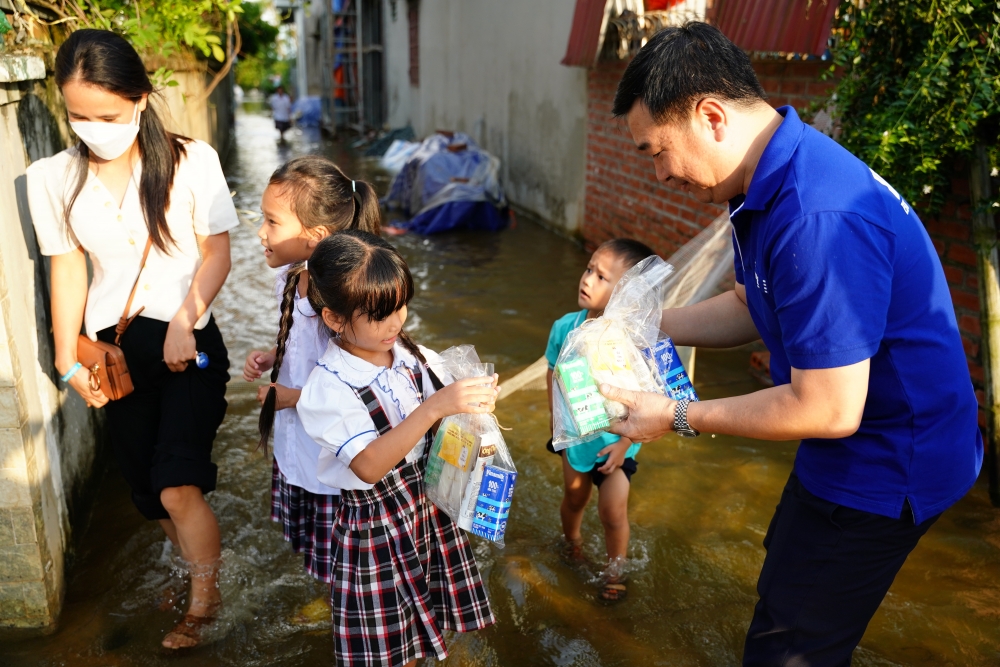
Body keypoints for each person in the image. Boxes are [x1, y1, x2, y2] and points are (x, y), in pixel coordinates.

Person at [602, 22, 982, 666]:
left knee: (789, 650)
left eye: (656, 151)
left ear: (711, 116)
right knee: (783, 577)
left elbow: (829, 409)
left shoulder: (817, 215)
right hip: (846, 441)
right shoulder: (764, 181)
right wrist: (646, 322)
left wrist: (676, 415)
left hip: (889, 462)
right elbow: (754, 304)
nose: (662, 174)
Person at [25, 30, 238, 649]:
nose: (93, 128)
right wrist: (67, 359)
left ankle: (203, 603)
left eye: (108, 115)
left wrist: (184, 319)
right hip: (114, 352)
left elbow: (216, 253)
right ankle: (197, 570)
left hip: (188, 344)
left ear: (142, 99)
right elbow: (64, 268)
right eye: (77, 115)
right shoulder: (51, 179)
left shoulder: (192, 160)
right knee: (149, 495)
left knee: (178, 481)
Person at [297, 230, 496, 667]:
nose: (396, 323)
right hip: (376, 524)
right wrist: (434, 409)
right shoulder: (329, 387)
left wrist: (470, 408)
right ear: (333, 318)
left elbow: (445, 415)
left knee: (422, 625)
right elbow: (369, 466)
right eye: (380, 314)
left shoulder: (408, 353)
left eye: (400, 306)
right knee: (386, 646)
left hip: (424, 504)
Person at [242, 156, 382, 587]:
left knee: (338, 554)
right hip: (297, 443)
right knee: (307, 542)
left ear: (314, 237)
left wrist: (290, 397)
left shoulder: (336, 297)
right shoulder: (291, 275)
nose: (261, 233)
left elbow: (364, 385)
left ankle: (330, 600)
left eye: (271, 222)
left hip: (328, 451)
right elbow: (305, 348)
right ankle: (319, 590)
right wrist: (275, 354)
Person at [544, 238, 656, 602]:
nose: (588, 279)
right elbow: (552, 370)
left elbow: (646, 396)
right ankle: (572, 542)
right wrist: (553, 414)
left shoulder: (629, 340)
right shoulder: (565, 328)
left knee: (612, 511)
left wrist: (624, 445)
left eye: (602, 277)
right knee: (574, 497)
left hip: (616, 444)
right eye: (589, 269)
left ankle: (615, 569)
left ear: (626, 294)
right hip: (577, 437)